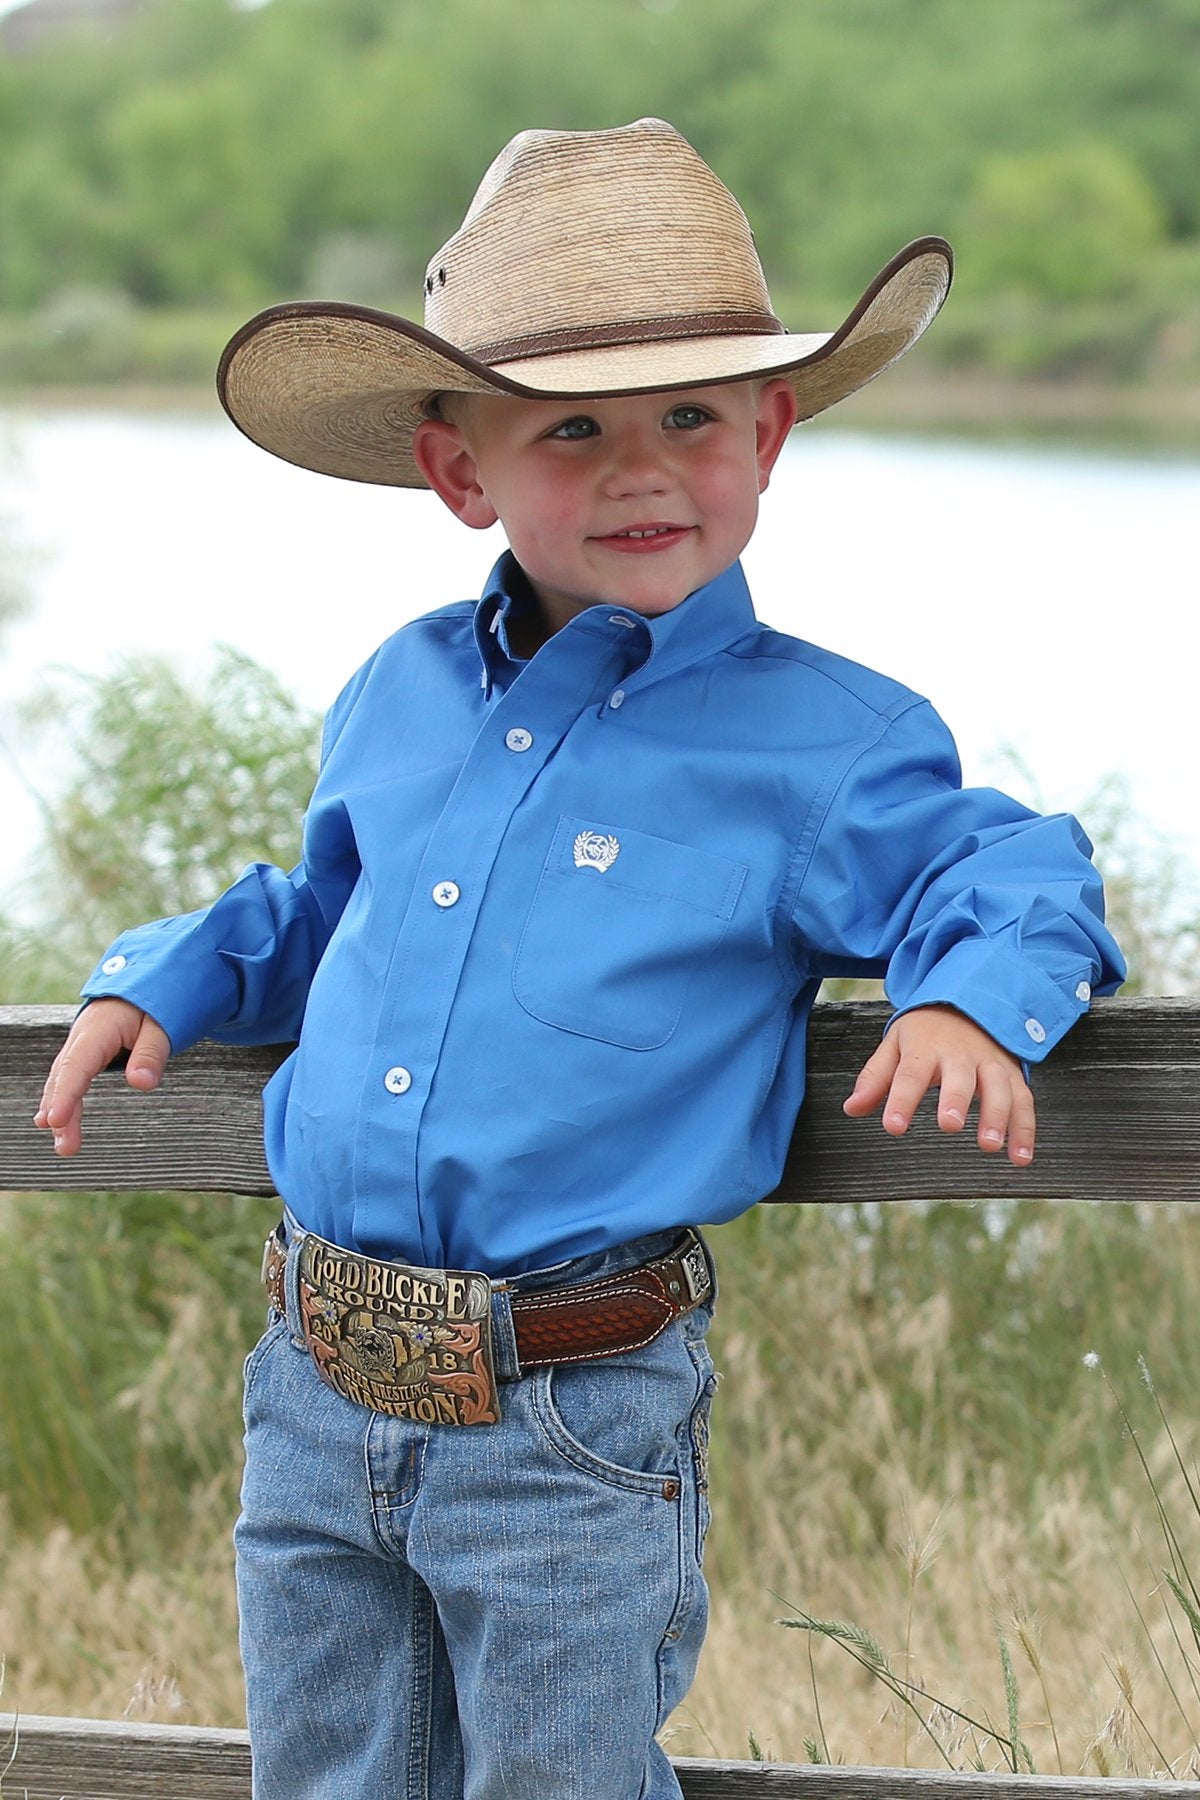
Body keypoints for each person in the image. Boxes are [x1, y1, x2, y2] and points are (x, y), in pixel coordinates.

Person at [35, 118, 1124, 1799]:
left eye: (695, 417)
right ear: (461, 472)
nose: (644, 470)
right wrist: (159, 978)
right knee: (321, 1778)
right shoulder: (403, 692)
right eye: (573, 432)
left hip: (570, 1411)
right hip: (316, 1382)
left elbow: (1012, 864)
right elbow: (324, 911)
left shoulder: (820, 748)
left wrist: (973, 993)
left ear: (768, 436)